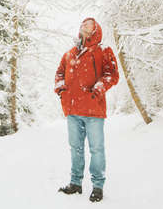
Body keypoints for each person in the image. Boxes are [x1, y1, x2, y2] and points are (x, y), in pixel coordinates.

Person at [54, 17, 119, 202]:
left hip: (93, 110)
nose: (84, 25)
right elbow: (59, 73)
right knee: (75, 148)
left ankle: (97, 186)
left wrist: (98, 89)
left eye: (89, 23)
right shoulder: (69, 53)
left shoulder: (103, 50)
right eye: (82, 23)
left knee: (96, 149)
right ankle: (75, 183)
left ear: (95, 29)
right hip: (73, 110)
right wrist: (61, 90)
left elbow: (112, 74)